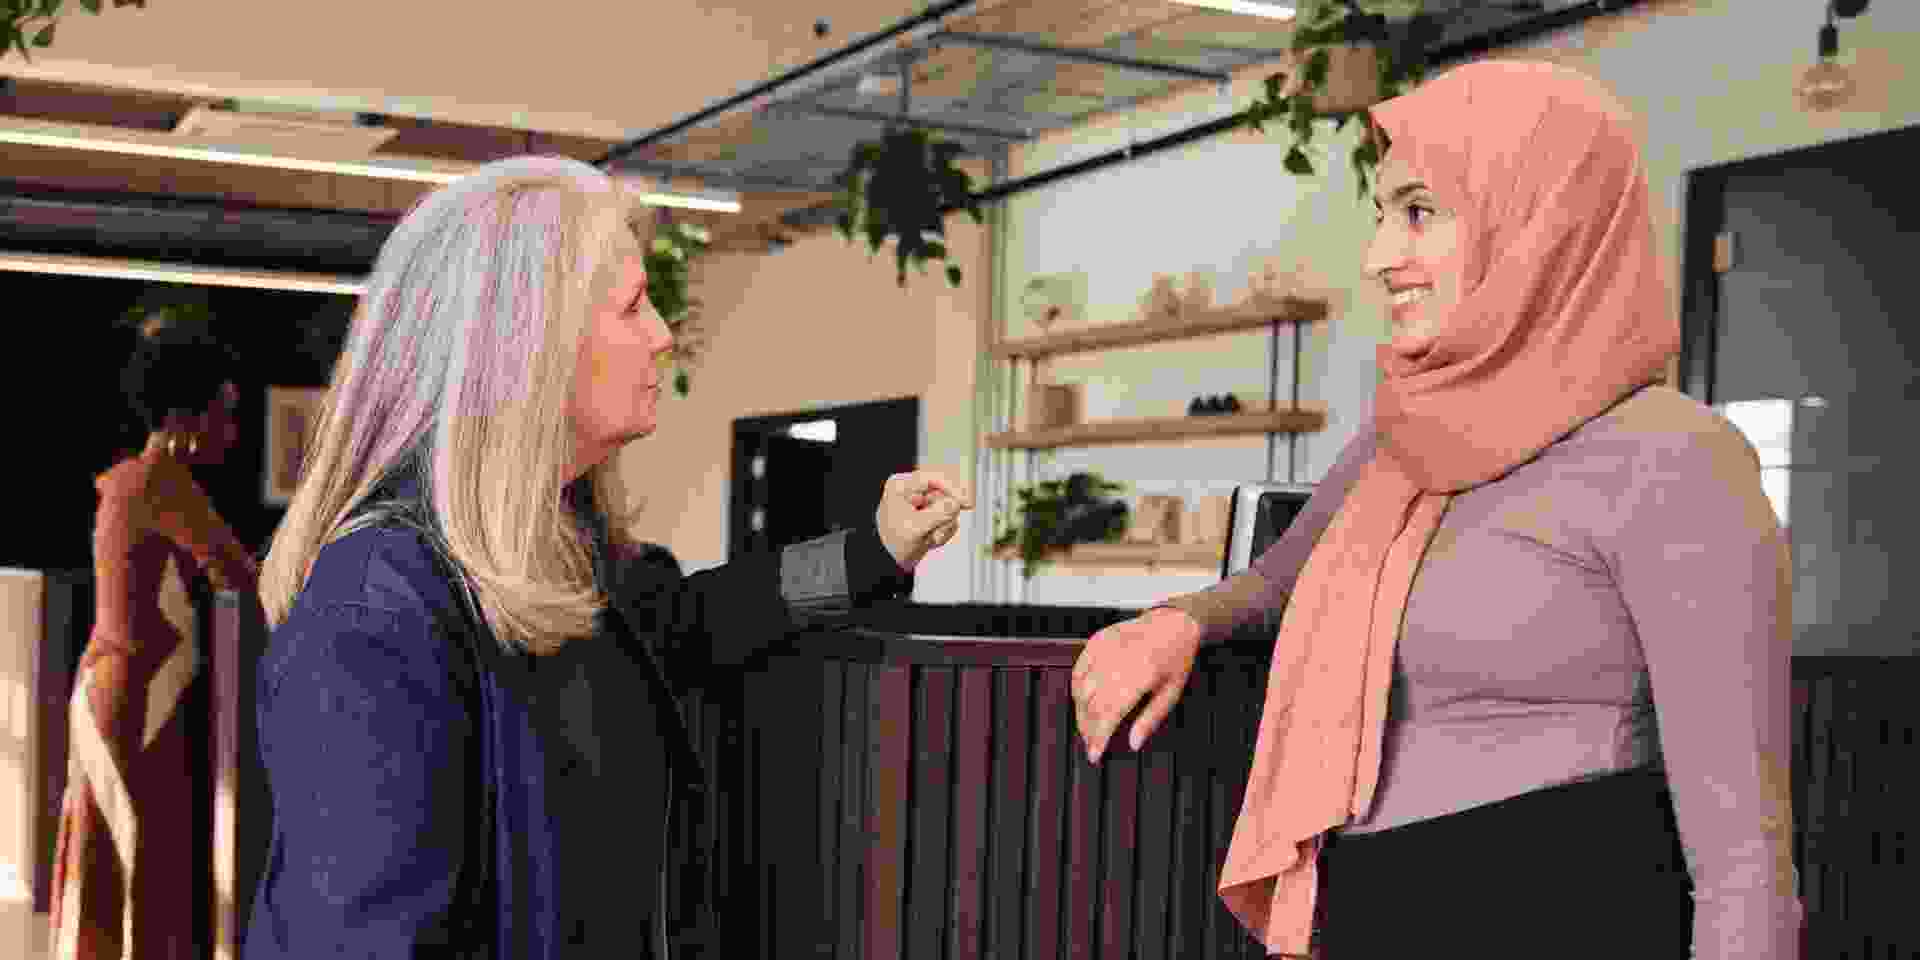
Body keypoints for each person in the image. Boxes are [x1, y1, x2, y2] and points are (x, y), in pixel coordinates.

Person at [1069, 59, 1800, 959]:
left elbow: (1743, 864)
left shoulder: (1676, 459)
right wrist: (1178, 622)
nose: (1379, 257)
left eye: (1418, 212)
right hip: (1375, 909)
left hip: (1564, 916)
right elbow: (1279, 583)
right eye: (1381, 216)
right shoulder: (1400, 442)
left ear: (1538, 222)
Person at [244, 154, 972, 959]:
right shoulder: (375, 610)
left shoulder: (570, 555)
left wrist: (873, 551)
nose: (662, 335)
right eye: (632, 307)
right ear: (528, 346)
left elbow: (696, 620)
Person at [51, 315, 258, 958]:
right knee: (136, 863)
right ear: (186, 414)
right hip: (138, 700)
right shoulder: (161, 482)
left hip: (117, 689)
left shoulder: (133, 481)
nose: (232, 429)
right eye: (225, 411)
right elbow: (239, 574)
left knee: (112, 862)